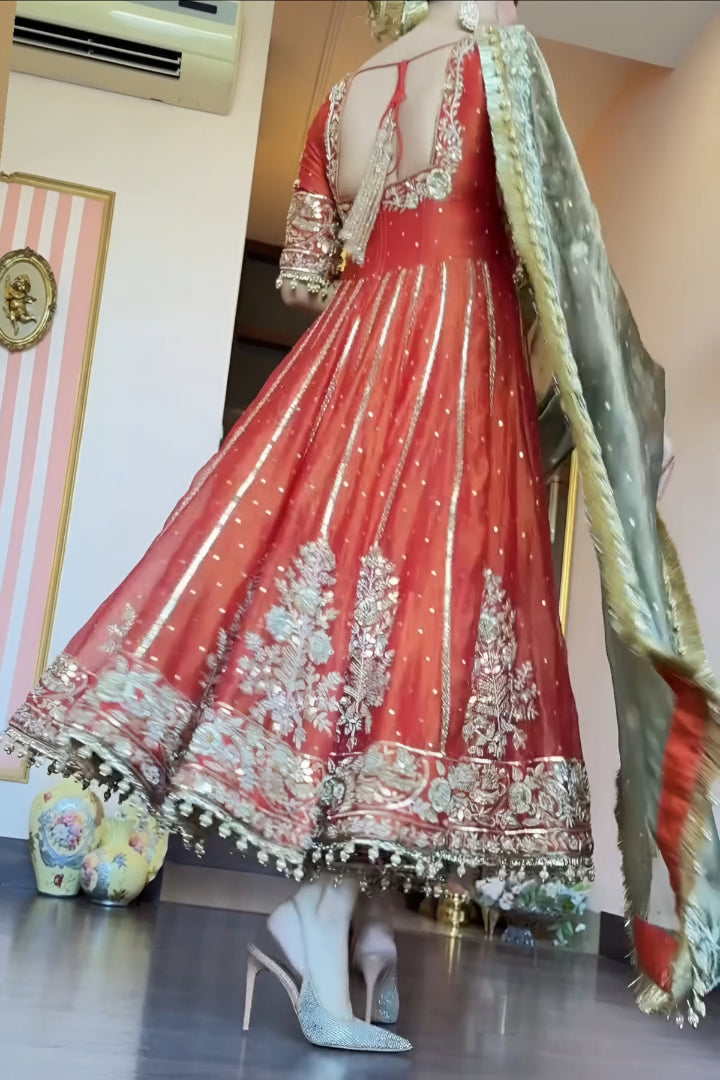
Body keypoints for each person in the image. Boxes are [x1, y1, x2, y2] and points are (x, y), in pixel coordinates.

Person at [6, 0, 720, 1052]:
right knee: (411, 638)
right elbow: (561, 249)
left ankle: (369, 922)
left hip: (355, 358)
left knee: (366, 638)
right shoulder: (500, 54)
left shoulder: (342, 97)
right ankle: (325, 922)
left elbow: (306, 273)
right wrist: (620, 407)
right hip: (452, 363)